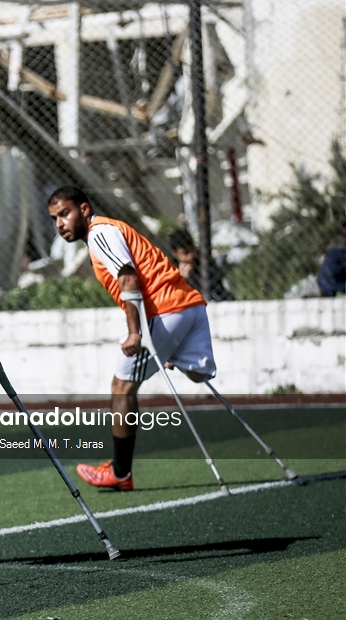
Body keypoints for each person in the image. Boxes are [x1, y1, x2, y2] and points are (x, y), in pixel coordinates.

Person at [47, 186, 216, 491]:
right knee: (197, 373)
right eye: (55, 218)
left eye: (65, 214)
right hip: (189, 305)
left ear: (84, 210)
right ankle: (179, 357)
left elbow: (127, 276)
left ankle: (121, 473)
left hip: (165, 310)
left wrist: (135, 332)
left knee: (121, 386)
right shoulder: (112, 229)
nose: (60, 223)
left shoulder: (100, 233)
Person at [168, 228, 233, 302]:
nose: (191, 255)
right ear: (175, 254)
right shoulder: (170, 268)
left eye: (192, 250)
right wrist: (182, 279)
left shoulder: (203, 259)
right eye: (186, 253)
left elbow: (217, 282)